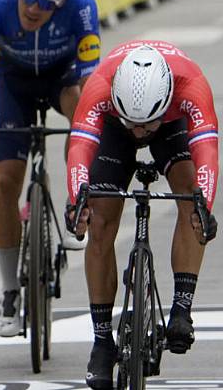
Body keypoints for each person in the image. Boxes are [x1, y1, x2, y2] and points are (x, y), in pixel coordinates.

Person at [65, 40, 218, 389]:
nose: (139, 132)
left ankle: (181, 308)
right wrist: (77, 202)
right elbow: (79, 148)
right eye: (133, 123)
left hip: (171, 124)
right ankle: (102, 341)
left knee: (191, 199)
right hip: (110, 128)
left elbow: (208, 154)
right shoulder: (100, 86)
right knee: (100, 222)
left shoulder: (191, 85)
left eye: (144, 125)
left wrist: (203, 206)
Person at [0, 0, 100, 336]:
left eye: (45, 2)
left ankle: (78, 203)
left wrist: (94, 141)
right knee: (5, 180)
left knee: (83, 115)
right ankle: (9, 288)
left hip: (62, 80)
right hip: (13, 85)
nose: (33, 7)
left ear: (63, 0)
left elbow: (92, 83)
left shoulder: (83, 8)